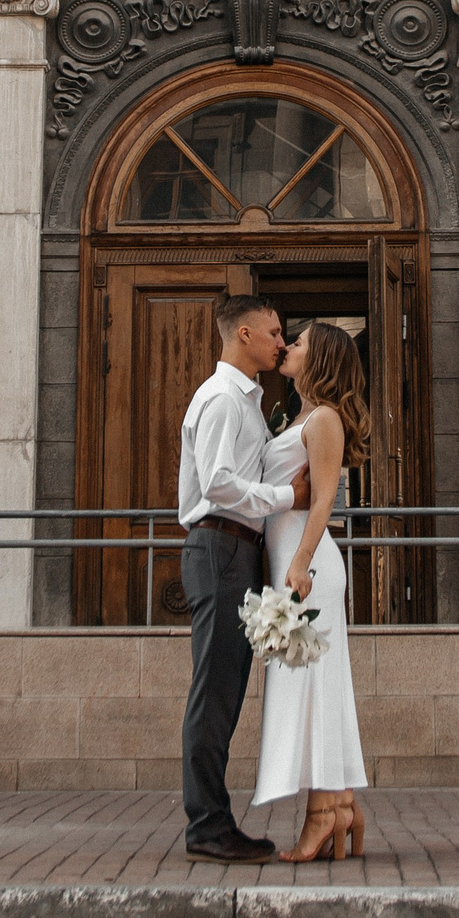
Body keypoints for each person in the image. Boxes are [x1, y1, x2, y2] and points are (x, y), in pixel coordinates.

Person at [177, 291, 308, 863]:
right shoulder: (224, 400)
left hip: (235, 550)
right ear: (245, 335)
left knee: (225, 692)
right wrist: (289, 495)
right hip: (219, 548)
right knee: (215, 692)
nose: (282, 342)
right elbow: (217, 483)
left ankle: (213, 821)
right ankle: (207, 826)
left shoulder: (247, 400)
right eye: (275, 332)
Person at [253, 320, 372, 860]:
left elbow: (324, 499)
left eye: (296, 342)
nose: (287, 347)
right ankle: (342, 805)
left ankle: (322, 815)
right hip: (291, 561)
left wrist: (300, 563)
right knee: (318, 686)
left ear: (319, 356)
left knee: (314, 688)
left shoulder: (323, 419)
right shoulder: (299, 415)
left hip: (309, 569)